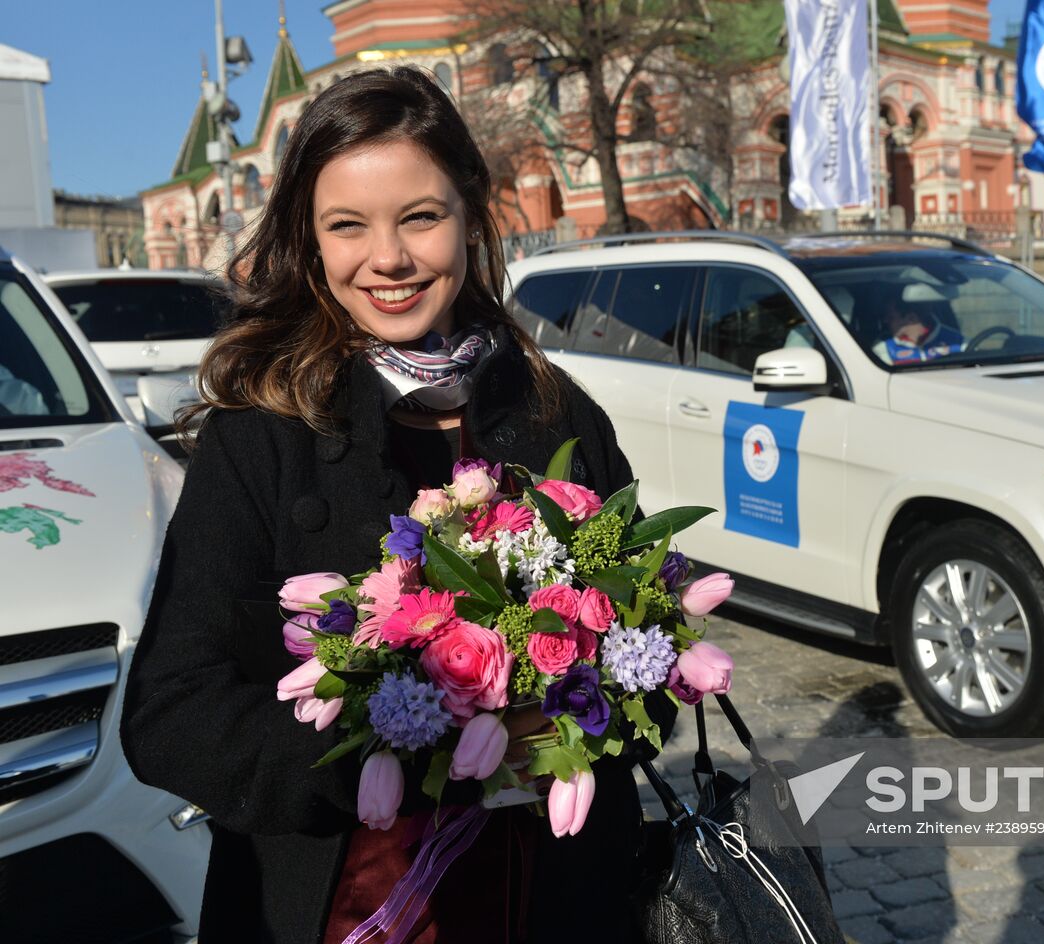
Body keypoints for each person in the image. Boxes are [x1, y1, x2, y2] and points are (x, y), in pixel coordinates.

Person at [120, 68, 672, 944]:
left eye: (421, 216)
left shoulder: (554, 411)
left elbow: (651, 652)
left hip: (554, 896)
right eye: (348, 226)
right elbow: (170, 716)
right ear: (311, 241)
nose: (389, 259)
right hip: (340, 902)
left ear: (470, 214)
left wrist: (572, 715)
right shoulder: (265, 433)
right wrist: (398, 745)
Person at [867, 286, 965, 364]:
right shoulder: (884, 348)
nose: (885, 321)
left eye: (890, 317)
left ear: (911, 318)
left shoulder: (958, 341)